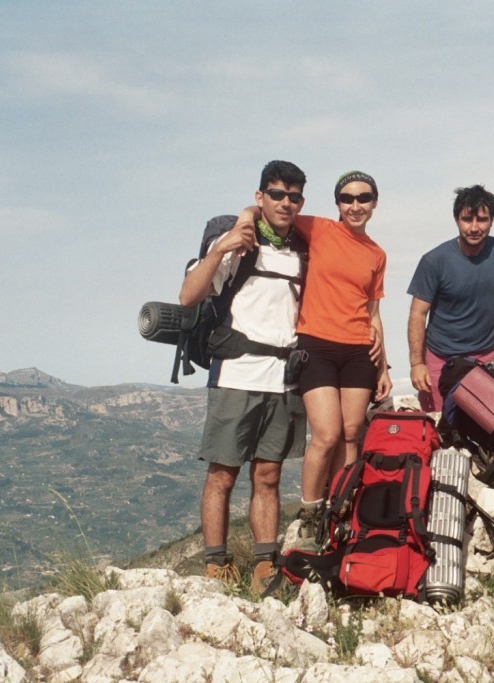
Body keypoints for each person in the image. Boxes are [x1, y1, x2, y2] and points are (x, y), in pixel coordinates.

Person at [234, 171, 392, 547]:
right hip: (317, 344)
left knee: (353, 433)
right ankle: (310, 514)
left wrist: (383, 365)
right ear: (337, 203)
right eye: (347, 199)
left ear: (374, 203)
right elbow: (265, 212)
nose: (355, 205)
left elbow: (372, 313)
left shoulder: (376, 254)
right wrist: (243, 219)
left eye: (363, 198)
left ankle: (343, 509)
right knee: (326, 434)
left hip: (358, 350)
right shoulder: (318, 228)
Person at [179, 160, 308, 592]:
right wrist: (223, 246)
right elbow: (187, 296)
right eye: (276, 194)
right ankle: (216, 567)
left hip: (284, 378)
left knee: (269, 476)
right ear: (260, 197)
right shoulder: (236, 244)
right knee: (222, 474)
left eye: (293, 196)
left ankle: (264, 567)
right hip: (236, 373)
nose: (285, 203)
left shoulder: (302, 250)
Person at [407, 185, 494, 411]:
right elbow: (417, 314)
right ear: (456, 219)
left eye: (481, 219)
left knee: (493, 426)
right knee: (441, 430)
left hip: (485, 356)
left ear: (492, 220)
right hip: (439, 358)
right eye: (466, 219)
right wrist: (416, 363)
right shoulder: (434, 260)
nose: (474, 227)